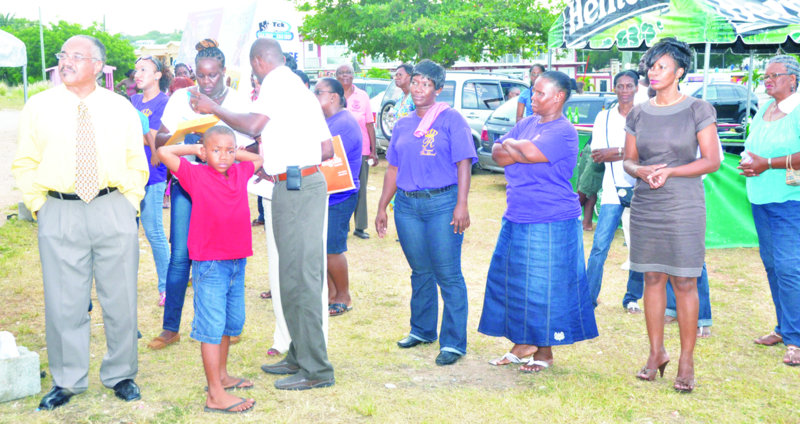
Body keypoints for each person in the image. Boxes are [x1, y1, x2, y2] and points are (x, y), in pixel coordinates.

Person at [11, 34, 148, 410]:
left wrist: (130, 204)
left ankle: (121, 374)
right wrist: (40, 205)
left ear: (98, 66)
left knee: (120, 298)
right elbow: (24, 162)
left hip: (112, 206)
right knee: (63, 302)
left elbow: (137, 160)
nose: (66, 61)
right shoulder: (38, 107)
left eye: (76, 56)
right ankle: (67, 380)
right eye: (63, 55)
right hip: (59, 211)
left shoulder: (120, 108)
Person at [191, 38, 336, 390]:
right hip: (295, 184)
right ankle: (299, 355)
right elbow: (326, 146)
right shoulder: (297, 88)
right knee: (290, 278)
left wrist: (214, 108)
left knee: (301, 279)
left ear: (258, 62)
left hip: (298, 187)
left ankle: (316, 369)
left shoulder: (277, 83)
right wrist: (280, 159)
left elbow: (255, 125)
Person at [478, 70, 598, 373]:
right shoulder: (527, 123)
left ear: (558, 97)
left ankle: (543, 352)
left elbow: (527, 152)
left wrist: (515, 148)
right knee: (514, 283)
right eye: (533, 91)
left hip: (550, 218)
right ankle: (523, 345)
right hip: (517, 213)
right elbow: (497, 152)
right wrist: (516, 149)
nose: (533, 97)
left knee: (544, 286)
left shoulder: (563, 130)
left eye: (540, 93)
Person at [623, 38, 720, 393]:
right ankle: (655, 352)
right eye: (650, 65)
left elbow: (712, 160)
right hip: (647, 203)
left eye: (661, 66)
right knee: (651, 278)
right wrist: (642, 171)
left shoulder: (698, 108)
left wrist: (670, 172)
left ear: (680, 72)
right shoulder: (638, 112)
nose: (653, 71)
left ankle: (686, 359)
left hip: (683, 204)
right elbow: (629, 159)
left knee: (684, 281)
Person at [148, 39, 254, 351]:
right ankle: (170, 327)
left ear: (224, 73)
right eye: (201, 76)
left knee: (227, 256)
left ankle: (225, 328)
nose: (206, 82)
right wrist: (190, 137)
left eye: (212, 76)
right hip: (189, 182)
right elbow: (162, 139)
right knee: (180, 256)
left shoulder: (236, 99)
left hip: (223, 188)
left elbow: (249, 143)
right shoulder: (181, 97)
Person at [375, 59, 476, 366]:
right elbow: (393, 168)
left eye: (426, 84)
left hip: (442, 204)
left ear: (438, 89)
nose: (419, 89)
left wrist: (462, 204)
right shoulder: (404, 123)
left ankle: (454, 343)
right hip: (407, 206)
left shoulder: (451, 119)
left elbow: (464, 163)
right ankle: (422, 330)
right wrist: (382, 206)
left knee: (448, 274)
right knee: (420, 272)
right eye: (415, 82)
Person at [157, 126, 261, 413]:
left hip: (237, 261)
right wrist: (198, 150)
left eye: (230, 150)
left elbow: (257, 159)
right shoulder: (195, 175)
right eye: (216, 150)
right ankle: (215, 393)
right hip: (211, 264)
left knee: (230, 322)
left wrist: (226, 149)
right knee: (211, 328)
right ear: (204, 152)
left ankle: (223, 376)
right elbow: (164, 151)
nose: (225, 156)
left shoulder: (240, 173)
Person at [738, 54, 800, 367]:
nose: (768, 80)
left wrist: (768, 164)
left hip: (791, 200)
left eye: (775, 75)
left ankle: (796, 340)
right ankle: (784, 327)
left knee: (790, 267)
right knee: (773, 265)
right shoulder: (765, 108)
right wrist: (748, 161)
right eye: (766, 76)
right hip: (760, 198)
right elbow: (754, 146)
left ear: (793, 79)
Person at [585, 70, 644, 312]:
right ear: (614, 88)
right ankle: (588, 297)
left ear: (637, 88)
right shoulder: (604, 118)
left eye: (629, 86)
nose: (625, 91)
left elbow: (649, 150)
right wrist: (628, 151)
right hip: (611, 189)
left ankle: (631, 298)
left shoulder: (646, 115)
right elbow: (598, 154)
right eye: (620, 86)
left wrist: (617, 152)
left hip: (641, 189)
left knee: (638, 248)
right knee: (599, 245)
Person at [312, 77, 363, 316]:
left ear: (333, 96)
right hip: (327, 194)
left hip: (340, 196)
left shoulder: (343, 122)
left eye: (318, 92)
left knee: (333, 248)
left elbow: (318, 152)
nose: (314, 96)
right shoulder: (328, 120)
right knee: (324, 248)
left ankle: (344, 295)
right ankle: (332, 295)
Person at [131, 55, 172, 306]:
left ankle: (166, 287)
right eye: (136, 70)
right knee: (126, 233)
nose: (137, 74)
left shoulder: (164, 102)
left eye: (144, 70)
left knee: (154, 232)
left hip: (153, 175)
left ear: (158, 75)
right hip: (130, 174)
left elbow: (154, 138)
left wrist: (140, 133)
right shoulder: (133, 100)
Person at [337, 63, 378, 240]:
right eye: (341, 73)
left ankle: (360, 226)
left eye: (349, 72)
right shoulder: (332, 95)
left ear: (354, 75)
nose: (345, 75)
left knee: (360, 188)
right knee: (340, 188)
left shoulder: (362, 96)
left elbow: (369, 123)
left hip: (360, 150)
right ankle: (341, 225)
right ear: (336, 75)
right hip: (337, 150)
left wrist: (373, 151)